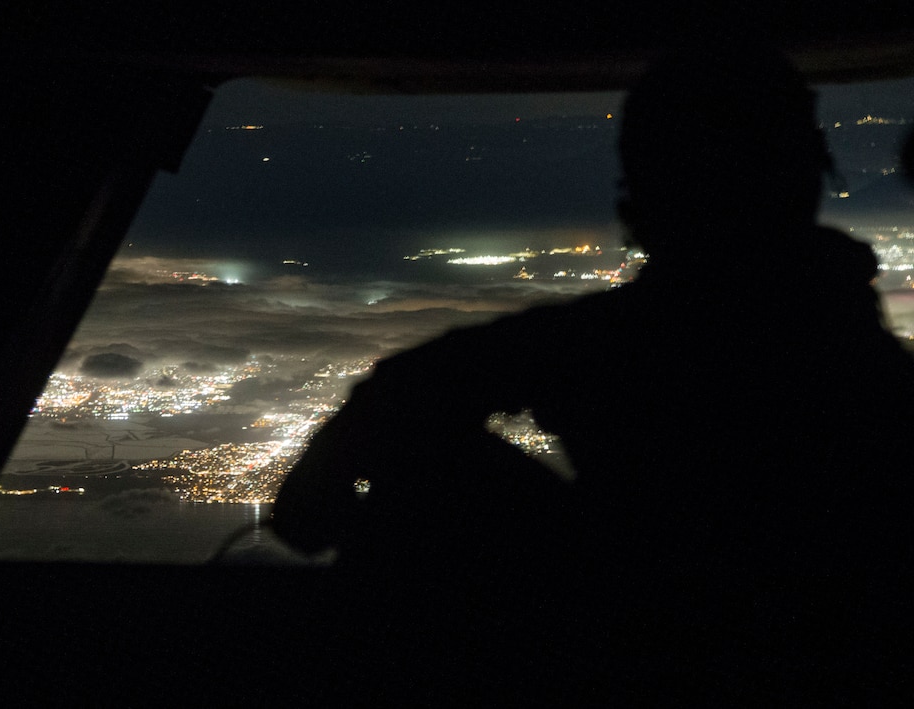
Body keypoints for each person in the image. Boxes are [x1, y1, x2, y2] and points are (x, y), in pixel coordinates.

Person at [271, 39, 914, 700]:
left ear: (639, 207)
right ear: (807, 182)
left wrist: (318, 502)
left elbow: (408, 389)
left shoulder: (632, 335)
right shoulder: (855, 357)